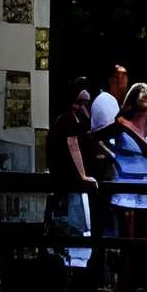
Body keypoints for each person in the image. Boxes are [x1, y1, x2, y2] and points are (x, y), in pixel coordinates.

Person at [106, 81, 147, 292]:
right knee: (127, 242)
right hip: (125, 182)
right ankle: (125, 290)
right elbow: (97, 137)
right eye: (141, 95)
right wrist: (113, 157)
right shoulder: (119, 122)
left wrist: (130, 127)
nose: (146, 98)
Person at [46, 85, 98, 276]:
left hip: (65, 181)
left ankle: (71, 268)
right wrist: (82, 175)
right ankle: (72, 269)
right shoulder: (68, 120)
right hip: (69, 182)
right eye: (80, 102)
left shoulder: (70, 120)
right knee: (74, 226)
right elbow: (73, 145)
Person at [89, 62, 129, 136]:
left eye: (124, 75)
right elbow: (109, 135)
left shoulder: (120, 103)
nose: (120, 78)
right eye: (118, 76)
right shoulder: (105, 99)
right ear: (111, 79)